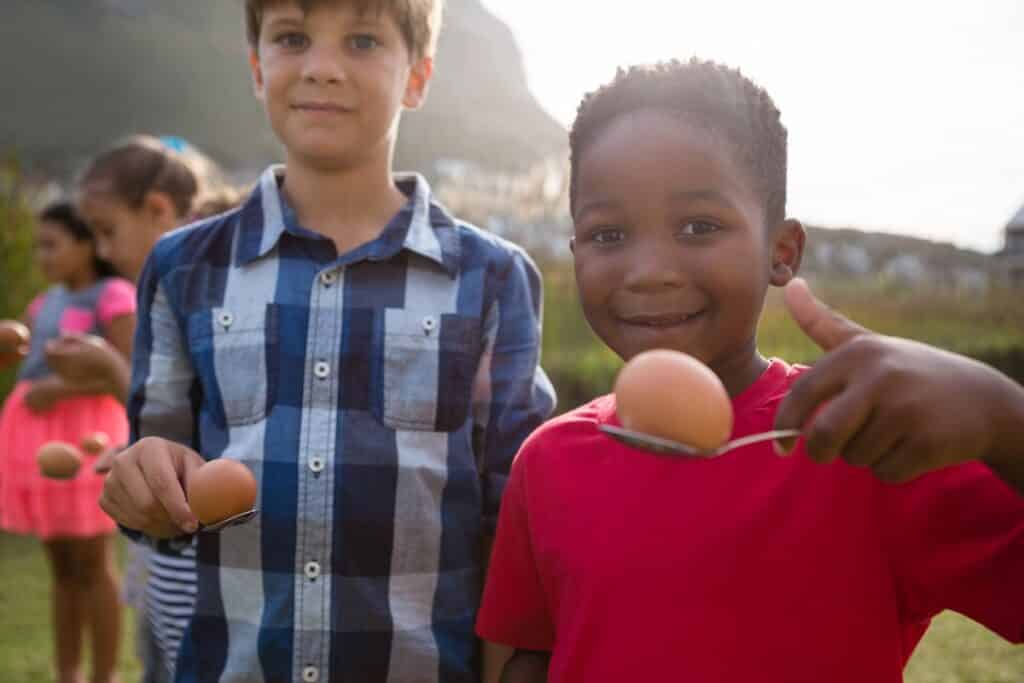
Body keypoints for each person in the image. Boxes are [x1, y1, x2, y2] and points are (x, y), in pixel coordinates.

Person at [475, 59, 1024, 683]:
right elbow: (530, 658)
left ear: (781, 251)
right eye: (608, 234)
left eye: (699, 226)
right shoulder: (548, 463)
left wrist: (1001, 415)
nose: (650, 268)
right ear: (575, 252)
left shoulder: (860, 443)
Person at [98, 1, 556, 682]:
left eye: (364, 41)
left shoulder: (491, 279)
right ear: (259, 69)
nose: (322, 68)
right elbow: (157, 491)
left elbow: (513, 533)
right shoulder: (183, 268)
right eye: (292, 38)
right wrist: (142, 488)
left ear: (418, 76)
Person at [49, 135, 233, 683]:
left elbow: (205, 426)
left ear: (157, 210)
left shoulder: (212, 294)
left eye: (108, 232)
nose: (102, 252)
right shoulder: (167, 295)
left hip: (199, 564)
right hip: (164, 556)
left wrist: (109, 370)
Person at [0, 201, 135, 683]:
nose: (43, 255)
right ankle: (67, 674)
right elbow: (30, 358)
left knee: (93, 562)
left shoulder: (113, 296)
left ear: (86, 244)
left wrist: (62, 390)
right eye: (39, 245)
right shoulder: (44, 303)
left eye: (52, 244)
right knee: (60, 562)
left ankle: (103, 675)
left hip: (86, 439)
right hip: (38, 438)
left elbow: (129, 372)